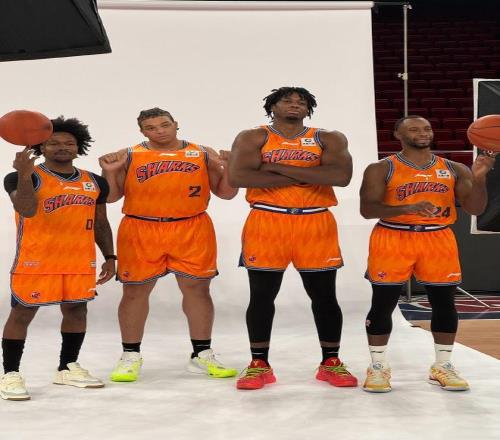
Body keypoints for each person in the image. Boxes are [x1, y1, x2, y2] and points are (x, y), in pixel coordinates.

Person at [229, 87, 357, 390]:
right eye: (287, 100)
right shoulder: (253, 136)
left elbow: (340, 177)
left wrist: (273, 167)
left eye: (301, 102)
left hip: (315, 220)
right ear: (272, 106)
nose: (295, 105)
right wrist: (311, 173)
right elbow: (240, 177)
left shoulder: (328, 137)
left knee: (324, 296)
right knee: (262, 296)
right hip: (267, 219)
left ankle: (331, 362)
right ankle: (259, 364)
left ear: (309, 109)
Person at [100, 108, 238, 382]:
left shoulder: (201, 152)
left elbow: (226, 193)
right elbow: (112, 197)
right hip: (141, 227)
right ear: (142, 132)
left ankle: (201, 354)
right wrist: (109, 172)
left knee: (198, 290)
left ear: (176, 124)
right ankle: (130, 355)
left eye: (164, 125)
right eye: (151, 128)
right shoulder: (129, 154)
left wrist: (230, 168)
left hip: (191, 226)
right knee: (135, 292)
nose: (159, 131)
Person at [360, 115, 495, 393]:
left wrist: (479, 178)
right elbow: (367, 209)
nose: (423, 133)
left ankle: (442, 365)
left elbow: (475, 208)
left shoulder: (454, 168)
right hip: (393, 236)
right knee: (383, 303)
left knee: (444, 303)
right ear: (398, 134)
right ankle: (378, 366)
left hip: (437, 237)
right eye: (414, 129)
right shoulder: (381, 168)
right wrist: (406, 208)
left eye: (427, 128)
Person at [0, 117, 115, 401]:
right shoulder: (21, 177)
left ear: (78, 147)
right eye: (54, 143)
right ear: (41, 147)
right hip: (36, 260)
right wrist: (24, 175)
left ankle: (67, 368)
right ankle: (10, 373)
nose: (62, 147)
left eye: (69, 143)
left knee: (77, 311)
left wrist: (110, 256)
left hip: (79, 260)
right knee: (22, 313)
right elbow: (26, 209)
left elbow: (101, 222)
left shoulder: (95, 181)